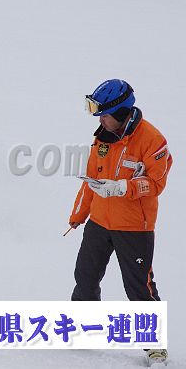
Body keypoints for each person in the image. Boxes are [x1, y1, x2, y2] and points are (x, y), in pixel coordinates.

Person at [68, 79, 171, 364]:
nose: (99, 119)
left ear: (121, 112)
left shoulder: (152, 140)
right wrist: (79, 214)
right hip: (99, 223)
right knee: (85, 278)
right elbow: (90, 180)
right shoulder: (102, 138)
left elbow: (157, 183)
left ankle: (155, 345)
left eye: (103, 114)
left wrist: (125, 187)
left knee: (139, 286)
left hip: (134, 227)